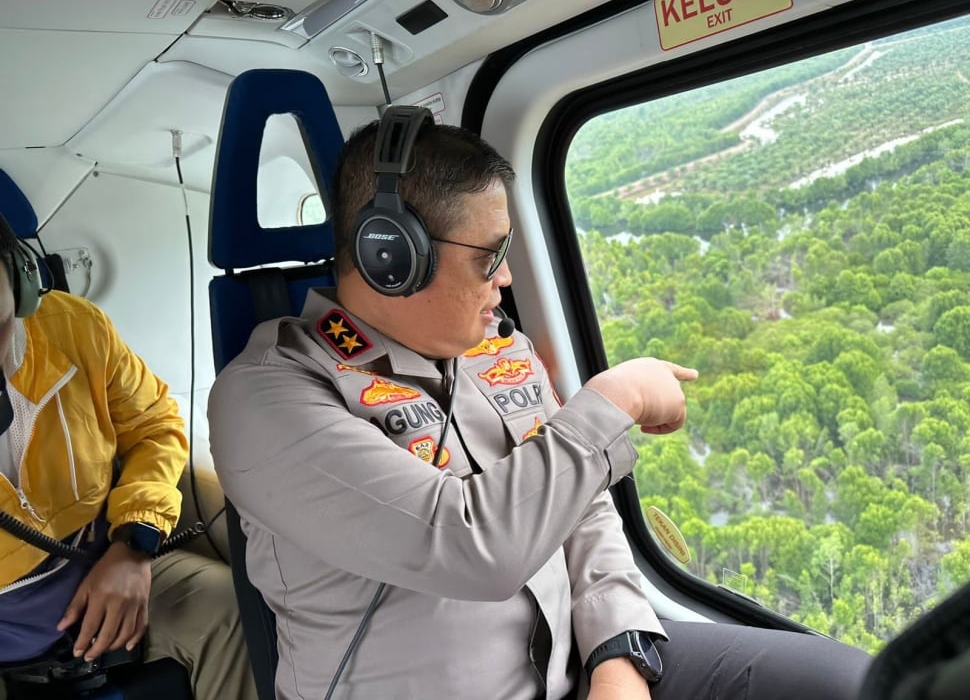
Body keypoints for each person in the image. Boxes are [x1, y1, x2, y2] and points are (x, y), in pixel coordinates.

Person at [208, 107, 873, 699]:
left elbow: (579, 500)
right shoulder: (267, 400)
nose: (507, 277)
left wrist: (619, 650)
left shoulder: (497, 346)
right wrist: (613, 399)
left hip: (580, 665)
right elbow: (469, 545)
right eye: (489, 255)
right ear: (392, 259)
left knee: (848, 683)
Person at [0, 214, 257, 700]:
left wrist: (133, 543)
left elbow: (154, 427)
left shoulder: (75, 327)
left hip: (103, 551)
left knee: (233, 612)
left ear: (22, 283)